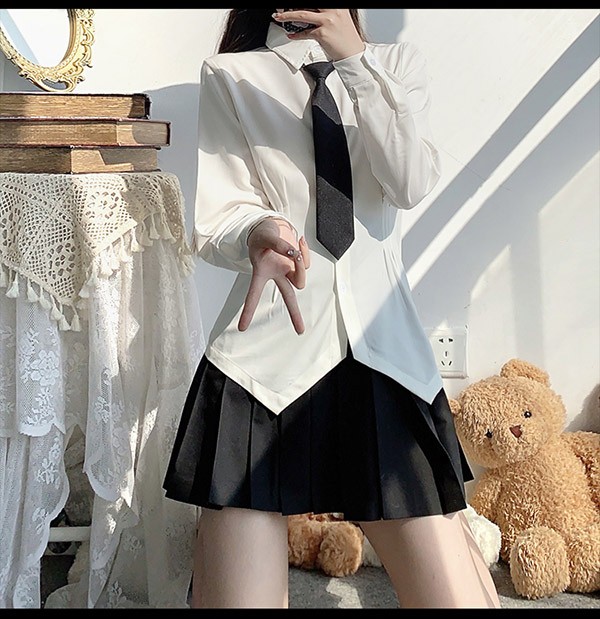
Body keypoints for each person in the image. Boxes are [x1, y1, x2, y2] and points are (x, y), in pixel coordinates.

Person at [163, 8, 501, 609]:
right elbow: (219, 220)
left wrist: (355, 63)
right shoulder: (232, 74)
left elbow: (408, 182)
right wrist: (258, 232)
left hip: (384, 359)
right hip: (264, 362)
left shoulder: (396, 66)